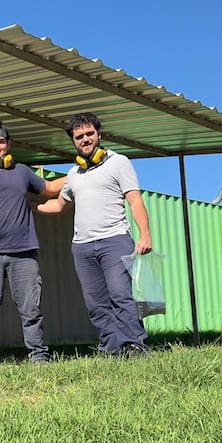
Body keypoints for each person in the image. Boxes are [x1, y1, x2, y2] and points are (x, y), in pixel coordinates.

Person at [37, 112, 152, 357]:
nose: (85, 139)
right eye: (79, 136)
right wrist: (26, 206)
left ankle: (134, 345)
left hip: (115, 240)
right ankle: (111, 348)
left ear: (99, 135)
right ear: (74, 142)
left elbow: (135, 200)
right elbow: (58, 206)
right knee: (95, 302)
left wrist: (145, 235)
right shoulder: (73, 174)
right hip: (82, 247)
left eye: (90, 134)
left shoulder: (119, 162)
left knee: (121, 294)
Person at [0, 119, 66, 364]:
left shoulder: (22, 172)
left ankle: (39, 358)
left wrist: (80, 173)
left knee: (31, 310)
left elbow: (49, 188)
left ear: (8, 144)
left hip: (23, 254)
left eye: (1, 141)